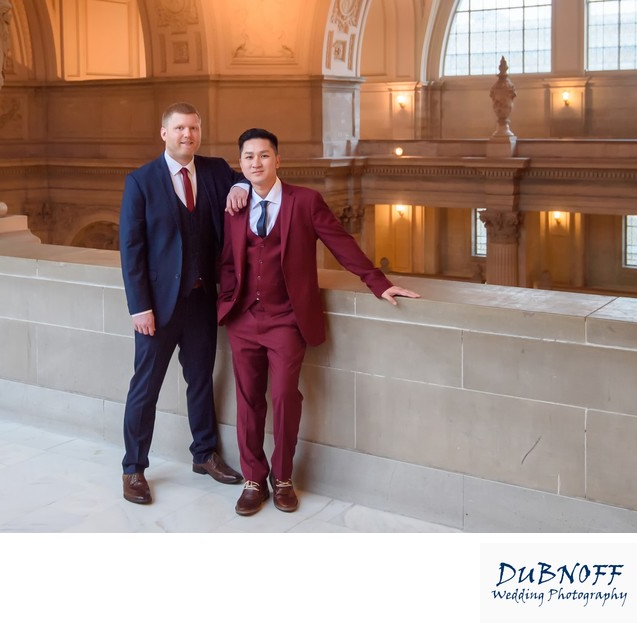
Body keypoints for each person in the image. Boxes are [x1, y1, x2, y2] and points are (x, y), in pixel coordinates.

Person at [217, 128, 421, 516]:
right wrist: (228, 300)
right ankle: (252, 479)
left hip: (286, 320)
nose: (256, 163)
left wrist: (378, 283)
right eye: (248, 157)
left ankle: (282, 478)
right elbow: (228, 259)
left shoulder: (305, 202)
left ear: (278, 160)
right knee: (247, 401)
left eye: (263, 156)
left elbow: (341, 242)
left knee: (283, 397)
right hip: (243, 318)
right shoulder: (236, 205)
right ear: (240, 164)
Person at [118, 102, 247, 504]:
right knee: (146, 388)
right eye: (179, 129)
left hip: (201, 301)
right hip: (156, 309)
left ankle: (204, 454)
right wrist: (140, 307)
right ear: (164, 133)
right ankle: (133, 468)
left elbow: (246, 180)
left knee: (200, 382)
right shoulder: (141, 181)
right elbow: (131, 248)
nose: (187, 135)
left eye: (193, 128)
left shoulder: (215, 170)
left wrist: (241, 187)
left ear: (200, 131)